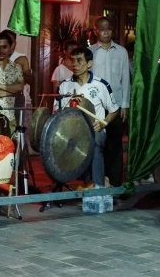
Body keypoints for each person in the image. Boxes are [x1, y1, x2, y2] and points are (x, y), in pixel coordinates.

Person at [54, 47, 119, 188]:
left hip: (94, 129)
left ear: (89, 64)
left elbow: (114, 110)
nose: (75, 64)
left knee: (94, 145)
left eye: (79, 61)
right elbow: (57, 112)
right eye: (72, 61)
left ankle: (98, 186)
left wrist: (103, 124)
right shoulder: (64, 85)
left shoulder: (101, 85)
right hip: (71, 132)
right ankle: (99, 180)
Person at [89, 17, 131, 187]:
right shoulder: (90, 52)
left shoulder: (121, 52)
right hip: (97, 107)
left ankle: (115, 183)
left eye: (108, 29)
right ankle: (99, 181)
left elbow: (125, 79)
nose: (105, 32)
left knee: (115, 146)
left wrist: (125, 105)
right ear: (95, 31)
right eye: (102, 29)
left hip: (115, 106)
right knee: (98, 145)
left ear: (112, 30)